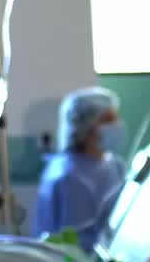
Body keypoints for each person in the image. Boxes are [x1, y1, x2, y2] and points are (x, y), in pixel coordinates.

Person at [34, 86, 128, 250]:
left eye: (116, 117)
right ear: (86, 126)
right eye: (108, 120)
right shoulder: (68, 177)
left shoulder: (114, 164)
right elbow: (74, 246)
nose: (117, 124)